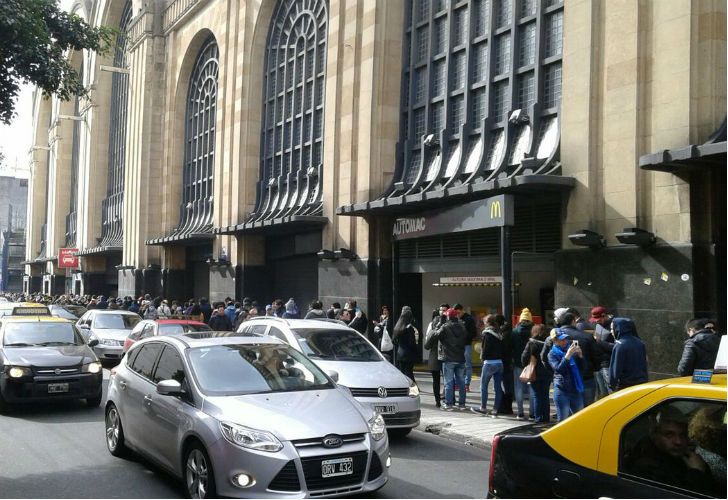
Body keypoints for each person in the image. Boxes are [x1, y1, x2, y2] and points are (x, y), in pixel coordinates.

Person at [624, 407, 715, 496]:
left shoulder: (687, 457)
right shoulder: (647, 467)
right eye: (669, 434)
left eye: (682, 435)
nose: (678, 442)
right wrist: (697, 472)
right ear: (655, 435)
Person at [559, 311, 599, 406]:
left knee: (567, 412)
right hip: (586, 377)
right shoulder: (587, 336)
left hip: (564, 378)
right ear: (573, 321)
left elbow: (545, 357)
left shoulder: (553, 338)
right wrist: (594, 368)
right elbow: (596, 356)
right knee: (587, 409)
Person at [431, 308, 467, 410]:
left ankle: (449, 404)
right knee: (461, 382)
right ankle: (462, 404)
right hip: (460, 357)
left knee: (449, 382)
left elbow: (435, 335)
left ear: (448, 316)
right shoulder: (462, 326)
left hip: (448, 358)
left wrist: (440, 324)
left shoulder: (445, 327)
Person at [548, 330, 584, 422]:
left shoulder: (572, 350)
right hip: (562, 389)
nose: (565, 341)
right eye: (561, 339)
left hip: (575, 389)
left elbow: (583, 368)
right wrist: (567, 356)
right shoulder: (552, 354)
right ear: (554, 340)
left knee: (579, 419)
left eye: (565, 339)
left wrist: (580, 356)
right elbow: (559, 369)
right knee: (563, 420)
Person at [472, 314, 504, 417]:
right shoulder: (499, 333)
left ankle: (483, 408)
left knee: (484, 386)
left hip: (489, 363)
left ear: (487, 323)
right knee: (498, 387)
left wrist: (482, 357)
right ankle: (495, 409)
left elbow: (485, 350)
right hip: (499, 363)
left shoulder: (487, 334)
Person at [521, 323, 550, 423]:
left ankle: (538, 418)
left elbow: (524, 357)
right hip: (547, 372)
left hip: (535, 371)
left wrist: (526, 364)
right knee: (545, 395)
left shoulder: (531, 343)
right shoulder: (549, 342)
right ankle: (546, 418)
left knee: (537, 395)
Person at [609, 317, 648, 391]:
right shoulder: (640, 342)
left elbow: (615, 369)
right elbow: (644, 365)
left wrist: (612, 385)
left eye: (612, 328)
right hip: (642, 384)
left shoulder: (620, 345)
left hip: (626, 386)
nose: (611, 331)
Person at [511, 308, 534, 419]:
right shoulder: (534, 331)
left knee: (518, 387)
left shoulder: (514, 332)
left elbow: (511, 348)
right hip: (531, 363)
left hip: (518, 363)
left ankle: (520, 412)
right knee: (532, 388)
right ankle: (532, 413)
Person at [424, 308, 446, 408]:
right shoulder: (448, 328)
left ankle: (438, 401)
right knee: (448, 379)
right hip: (447, 356)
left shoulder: (433, 331)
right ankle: (449, 400)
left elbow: (427, 345)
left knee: (436, 380)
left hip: (434, 357)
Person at [453, 304, 477, 392]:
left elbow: (473, 333)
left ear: (462, 310)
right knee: (456, 364)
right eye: (456, 313)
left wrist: (464, 336)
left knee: (467, 365)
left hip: (466, 344)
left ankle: (466, 384)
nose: (458, 315)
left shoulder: (469, 319)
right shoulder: (455, 318)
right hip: (458, 345)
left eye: (459, 313)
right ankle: (456, 384)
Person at [392, 306, 418, 381]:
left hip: (400, 352)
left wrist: (400, 345)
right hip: (409, 354)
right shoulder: (410, 328)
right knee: (409, 373)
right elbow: (412, 342)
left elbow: (394, 340)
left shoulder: (398, 326)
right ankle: (413, 389)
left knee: (402, 372)